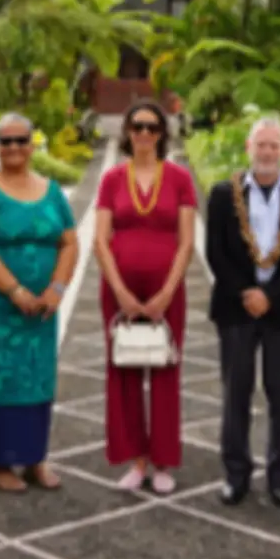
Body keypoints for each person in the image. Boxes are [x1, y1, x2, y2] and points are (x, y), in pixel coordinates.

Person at [0, 114, 79, 492]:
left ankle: (34, 458)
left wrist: (56, 289)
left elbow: (70, 242)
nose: (13, 148)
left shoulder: (52, 190)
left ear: (32, 144)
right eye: (5, 141)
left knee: (35, 378)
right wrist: (15, 291)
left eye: (20, 140)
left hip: (42, 307)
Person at [203, 116, 280, 506]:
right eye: (261, 145)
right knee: (236, 392)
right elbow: (215, 252)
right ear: (248, 149)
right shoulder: (223, 195)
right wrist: (247, 292)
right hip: (236, 309)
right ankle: (236, 475)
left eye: (274, 145)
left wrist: (270, 295)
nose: (267, 152)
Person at [95, 100, 197, 494]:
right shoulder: (111, 180)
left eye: (152, 127)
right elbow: (101, 240)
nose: (143, 134)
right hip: (119, 288)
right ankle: (136, 459)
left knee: (166, 369)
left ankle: (164, 461)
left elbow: (186, 242)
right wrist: (120, 290)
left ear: (162, 134)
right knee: (123, 370)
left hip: (166, 288)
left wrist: (166, 292)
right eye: (137, 127)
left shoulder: (178, 179)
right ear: (127, 132)